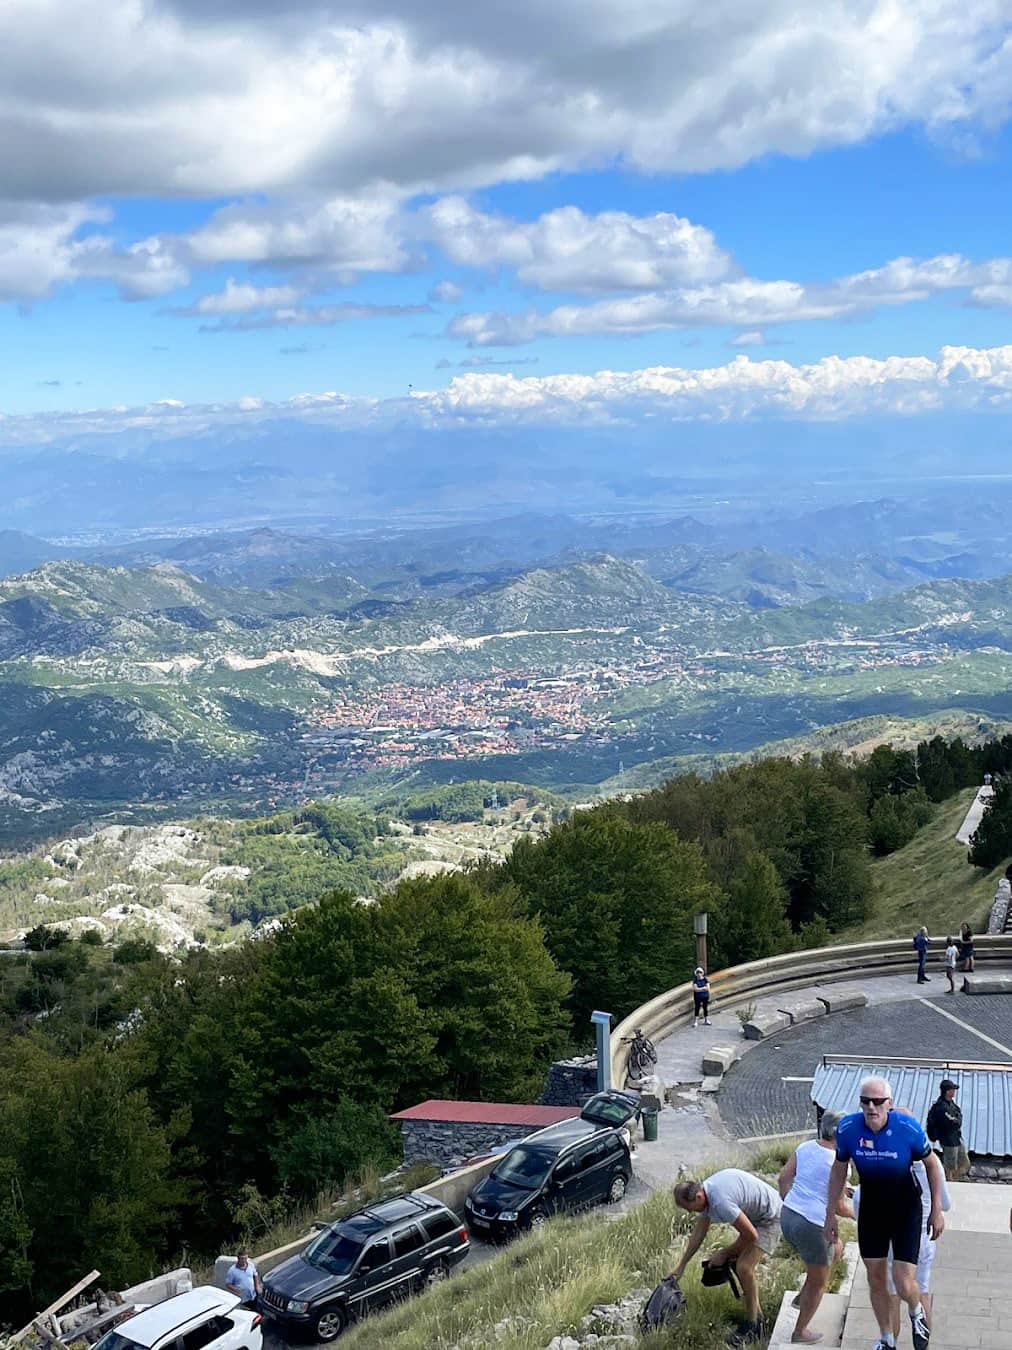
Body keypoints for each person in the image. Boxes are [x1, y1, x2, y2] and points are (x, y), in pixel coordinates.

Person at [825, 1077, 945, 1350]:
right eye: (865, 1101)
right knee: (876, 1279)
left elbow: (932, 1165)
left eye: (878, 1101)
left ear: (888, 1104)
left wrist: (936, 1210)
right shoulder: (848, 1128)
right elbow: (838, 1170)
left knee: (903, 1282)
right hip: (872, 1211)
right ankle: (887, 1339)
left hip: (905, 1210)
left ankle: (916, 1312)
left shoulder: (906, 1128)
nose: (871, 1107)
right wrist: (829, 1214)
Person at [670, 1168, 782, 1346]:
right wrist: (681, 1265)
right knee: (739, 1264)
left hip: (771, 1217)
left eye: (688, 1208)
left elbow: (751, 1236)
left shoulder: (720, 1201)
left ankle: (754, 1326)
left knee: (744, 1267)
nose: (690, 1212)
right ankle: (758, 1318)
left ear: (698, 1197)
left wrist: (723, 1253)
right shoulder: (706, 1193)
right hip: (755, 1216)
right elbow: (699, 1233)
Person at [853, 1150, 951, 1346]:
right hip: (924, 1238)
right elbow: (945, 1205)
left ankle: (890, 1342)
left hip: (891, 1243)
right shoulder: (931, 1163)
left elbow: (861, 1204)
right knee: (921, 1292)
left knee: (892, 1297)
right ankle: (922, 1343)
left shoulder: (883, 1165)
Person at [778, 1111, 851, 1344]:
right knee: (821, 1282)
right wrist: (861, 1213)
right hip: (813, 1225)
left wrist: (796, 1203)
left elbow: (783, 1179)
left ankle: (803, 1297)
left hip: (788, 1216)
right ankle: (800, 1331)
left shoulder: (806, 1147)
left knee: (836, 1249)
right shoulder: (840, 1163)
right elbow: (838, 1207)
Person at [926, 1079, 968, 1181]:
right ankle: (949, 1181)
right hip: (948, 1140)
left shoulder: (951, 1104)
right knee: (950, 1164)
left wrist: (957, 1119)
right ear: (947, 1091)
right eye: (952, 1089)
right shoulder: (941, 1107)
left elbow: (958, 1117)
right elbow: (952, 1123)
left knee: (963, 1161)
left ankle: (957, 1178)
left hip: (956, 1138)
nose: (954, 1092)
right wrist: (956, 1120)